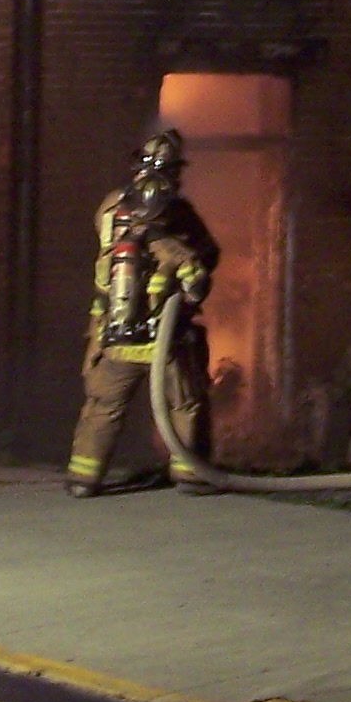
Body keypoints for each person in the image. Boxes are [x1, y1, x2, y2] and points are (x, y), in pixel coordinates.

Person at [66, 126, 220, 495]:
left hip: (117, 338)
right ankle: (190, 475)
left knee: (102, 408)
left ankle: (84, 478)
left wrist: (95, 334)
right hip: (166, 344)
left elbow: (103, 280)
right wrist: (190, 273)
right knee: (184, 404)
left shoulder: (111, 209)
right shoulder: (179, 219)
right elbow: (201, 271)